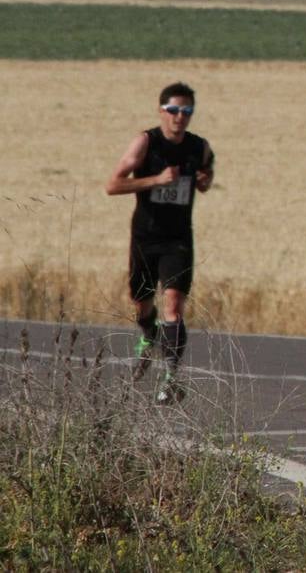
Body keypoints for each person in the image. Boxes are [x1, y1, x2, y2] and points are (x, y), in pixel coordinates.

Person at [106, 81, 215, 405]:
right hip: (145, 235)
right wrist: (156, 180)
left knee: (174, 305)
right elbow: (112, 185)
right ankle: (149, 335)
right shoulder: (146, 143)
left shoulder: (199, 147)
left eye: (186, 111)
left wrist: (204, 180)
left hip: (178, 238)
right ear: (161, 111)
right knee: (141, 303)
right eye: (174, 110)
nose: (180, 117)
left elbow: (206, 176)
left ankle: (171, 376)